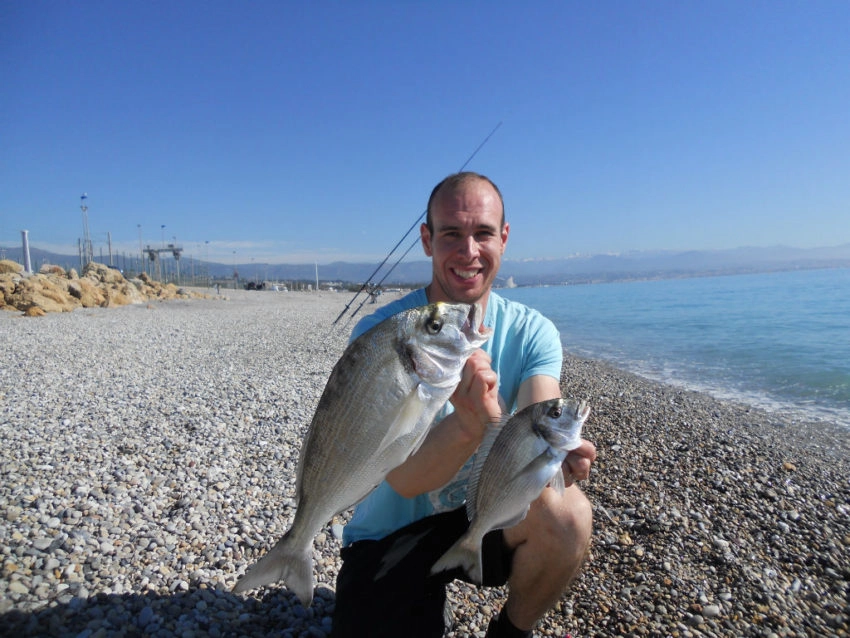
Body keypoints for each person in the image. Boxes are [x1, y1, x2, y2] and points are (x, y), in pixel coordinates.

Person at [331, 172, 597, 638]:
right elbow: (407, 480)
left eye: (483, 233)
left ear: (505, 238)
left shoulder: (532, 331)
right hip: (389, 533)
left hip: (486, 513)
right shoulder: (384, 337)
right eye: (451, 233)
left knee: (568, 512)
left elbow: (541, 411)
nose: (469, 251)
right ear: (427, 240)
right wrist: (471, 423)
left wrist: (557, 454)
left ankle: (510, 633)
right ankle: (418, 600)